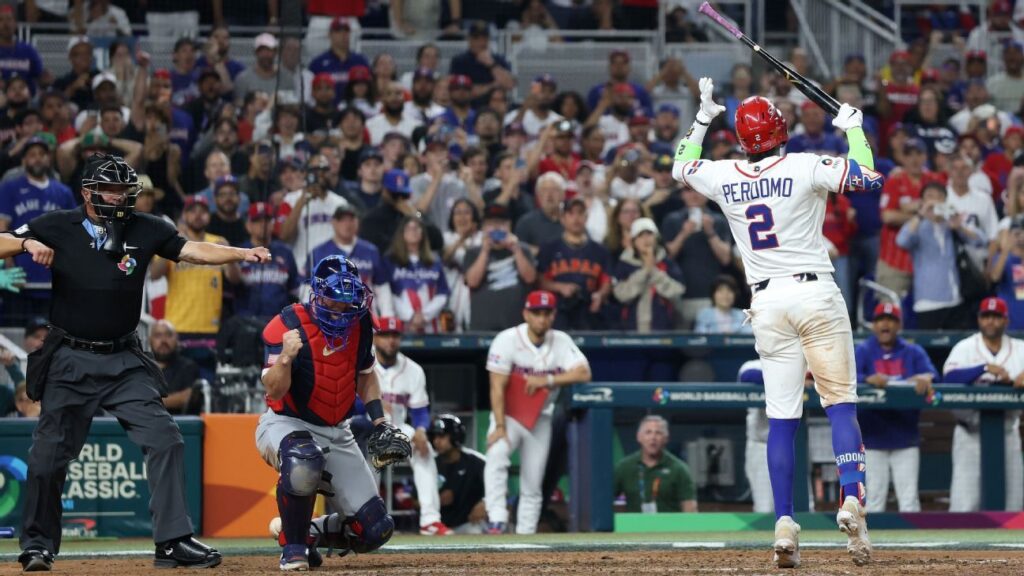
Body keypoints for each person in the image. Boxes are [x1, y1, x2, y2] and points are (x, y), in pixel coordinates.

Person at [4, 153, 270, 571]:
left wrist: (240, 252)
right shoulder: (57, 225)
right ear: (88, 192)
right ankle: (38, 546)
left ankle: (173, 541)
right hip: (70, 358)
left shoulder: (147, 227)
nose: (121, 197)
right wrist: (26, 243)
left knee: (166, 438)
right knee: (46, 458)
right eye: (111, 189)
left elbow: (192, 250)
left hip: (124, 358)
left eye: (125, 190)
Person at [672, 78, 884, 567]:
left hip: (766, 302)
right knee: (840, 406)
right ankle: (851, 496)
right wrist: (854, 130)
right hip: (815, 293)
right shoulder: (806, 164)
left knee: (782, 419)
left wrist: (702, 118)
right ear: (780, 130)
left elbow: (681, 164)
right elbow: (869, 177)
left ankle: (784, 524)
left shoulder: (723, 175)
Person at [257, 255, 408, 570]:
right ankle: (293, 547)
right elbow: (274, 390)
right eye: (334, 297)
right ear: (317, 293)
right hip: (286, 423)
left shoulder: (361, 324)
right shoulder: (287, 324)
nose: (342, 306)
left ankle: (306, 531)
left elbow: (366, 374)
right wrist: (285, 357)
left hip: (339, 429)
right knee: (304, 459)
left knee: (375, 530)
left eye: (348, 298)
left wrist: (380, 421)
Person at [484, 290, 591, 535]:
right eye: (536, 313)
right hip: (509, 415)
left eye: (546, 313)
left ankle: (526, 533)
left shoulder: (560, 341)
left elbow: (583, 372)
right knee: (496, 456)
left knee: (533, 480)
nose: (541, 319)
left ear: (553, 316)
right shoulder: (507, 339)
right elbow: (497, 386)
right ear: (526, 314)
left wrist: (548, 380)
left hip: (540, 417)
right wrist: (499, 426)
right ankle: (497, 519)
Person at [943, 297, 1024, 512]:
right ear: (979, 319)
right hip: (970, 434)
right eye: (986, 316)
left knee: (1013, 505)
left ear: (1006, 320)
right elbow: (949, 378)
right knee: (965, 505)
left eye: (996, 316)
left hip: (1007, 434)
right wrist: (984, 368)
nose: (990, 321)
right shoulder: (965, 347)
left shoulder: (1020, 349)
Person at [855, 303, 937, 513]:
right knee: (873, 501)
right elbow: (847, 377)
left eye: (891, 320)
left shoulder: (912, 351)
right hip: (872, 438)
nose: (886, 324)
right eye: (881, 320)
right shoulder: (863, 350)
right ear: (874, 325)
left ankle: (912, 538)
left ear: (899, 325)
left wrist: (925, 377)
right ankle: (871, 537)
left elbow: (933, 376)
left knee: (909, 502)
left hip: (905, 437)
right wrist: (866, 379)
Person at [373, 316, 450, 535]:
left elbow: (419, 411)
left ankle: (430, 520)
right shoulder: (362, 363)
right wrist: (369, 403)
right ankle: (368, 521)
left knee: (424, 449)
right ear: (375, 338)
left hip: (396, 428)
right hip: (364, 429)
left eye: (395, 335)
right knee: (367, 465)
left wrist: (421, 431)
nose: (390, 340)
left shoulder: (413, 370)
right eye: (385, 335)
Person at [150, 195, 239, 382]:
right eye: (192, 211)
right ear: (184, 215)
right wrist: (169, 244)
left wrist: (230, 256)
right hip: (177, 327)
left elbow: (235, 279)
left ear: (209, 216)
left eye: (203, 211)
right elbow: (155, 274)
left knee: (207, 386)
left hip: (209, 328)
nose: (198, 215)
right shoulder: (175, 243)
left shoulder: (217, 243)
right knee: (176, 384)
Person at [896, 181, 982, 329]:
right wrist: (920, 215)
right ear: (922, 201)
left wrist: (959, 227)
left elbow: (980, 240)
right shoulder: (917, 225)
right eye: (930, 196)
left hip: (956, 300)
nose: (935, 201)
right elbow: (902, 241)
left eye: (939, 197)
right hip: (927, 302)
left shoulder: (952, 223)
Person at [537, 197, 612, 330]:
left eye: (580, 213)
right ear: (562, 218)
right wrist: (560, 287)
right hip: (557, 311)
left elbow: (606, 281)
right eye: (571, 213)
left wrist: (600, 295)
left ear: (586, 217)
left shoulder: (600, 251)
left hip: (589, 311)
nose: (576, 218)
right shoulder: (549, 249)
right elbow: (540, 281)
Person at [464, 203, 538, 331]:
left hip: (516, 326)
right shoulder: (473, 252)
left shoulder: (522, 249)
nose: (496, 228)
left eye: (501, 223)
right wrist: (485, 251)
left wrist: (516, 249)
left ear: (509, 226)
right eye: (491, 224)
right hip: (483, 325)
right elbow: (472, 282)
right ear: (484, 227)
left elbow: (530, 278)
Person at [308, 205, 392, 314]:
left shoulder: (371, 251)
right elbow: (308, 287)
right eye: (342, 220)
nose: (347, 224)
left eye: (351, 220)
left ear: (358, 222)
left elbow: (382, 286)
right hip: (330, 316)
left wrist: (387, 316)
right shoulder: (319, 252)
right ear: (333, 222)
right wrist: (311, 315)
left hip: (366, 316)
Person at [612, 217, 684, 332]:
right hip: (631, 327)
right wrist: (645, 271)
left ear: (656, 238)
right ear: (634, 241)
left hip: (662, 326)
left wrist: (654, 271)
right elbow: (621, 294)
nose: (646, 239)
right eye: (640, 235)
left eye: (649, 234)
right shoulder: (625, 264)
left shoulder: (666, 262)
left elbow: (678, 291)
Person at [613, 415, 697, 513]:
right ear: (639, 437)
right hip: (634, 523)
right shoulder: (624, 467)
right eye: (648, 432)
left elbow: (690, 508)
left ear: (666, 439)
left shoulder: (679, 469)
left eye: (658, 433)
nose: (653, 438)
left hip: (668, 523)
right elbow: (604, 499)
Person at [384, 217, 450, 334]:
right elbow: (388, 293)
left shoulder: (435, 261)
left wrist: (425, 315)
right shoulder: (390, 261)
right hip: (402, 326)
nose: (413, 231)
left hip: (431, 327)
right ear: (402, 233)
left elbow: (443, 293)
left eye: (416, 228)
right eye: (409, 228)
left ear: (422, 233)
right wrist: (410, 316)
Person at [236, 202, 301, 319]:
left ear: (273, 224)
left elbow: (294, 291)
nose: (263, 225)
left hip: (278, 321)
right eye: (257, 221)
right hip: (246, 322)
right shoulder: (239, 252)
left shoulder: (285, 252)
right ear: (248, 225)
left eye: (267, 220)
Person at [429, 414, 487, 534]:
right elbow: (414, 500)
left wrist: (485, 503)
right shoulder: (429, 465)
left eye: (442, 436)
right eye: (435, 436)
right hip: (438, 526)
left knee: (475, 531)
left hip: (469, 524)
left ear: (455, 436)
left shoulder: (477, 462)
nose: (436, 441)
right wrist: (436, 500)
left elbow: (499, 490)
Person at [150, 319, 202, 416]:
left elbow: (189, 396)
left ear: (177, 340)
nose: (163, 340)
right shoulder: (141, 368)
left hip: (180, 422)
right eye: (158, 335)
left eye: (168, 335)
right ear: (150, 340)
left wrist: (151, 402)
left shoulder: (188, 367)